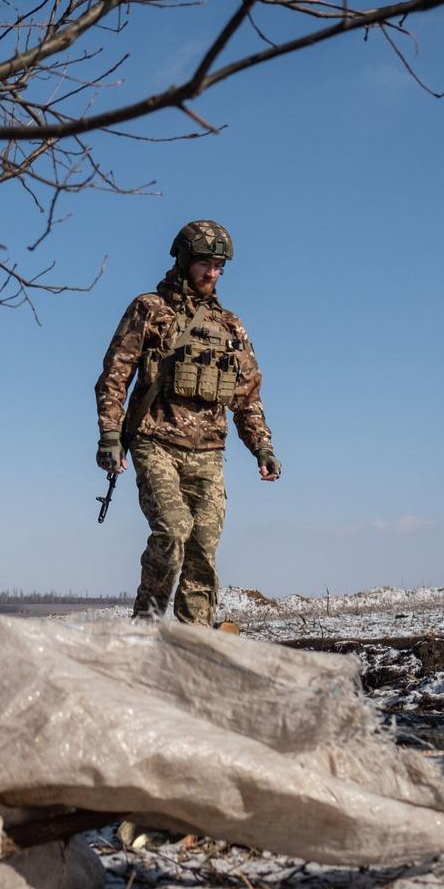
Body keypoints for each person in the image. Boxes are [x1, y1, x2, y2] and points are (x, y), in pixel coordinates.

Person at [94, 220, 280, 626]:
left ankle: (193, 639)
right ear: (183, 261)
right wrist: (110, 434)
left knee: (202, 548)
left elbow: (247, 396)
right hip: (154, 440)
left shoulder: (231, 326)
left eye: (218, 266)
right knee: (174, 530)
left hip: (209, 452)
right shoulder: (149, 309)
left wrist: (262, 448)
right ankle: (146, 627)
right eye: (204, 264)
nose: (212, 273)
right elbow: (115, 375)